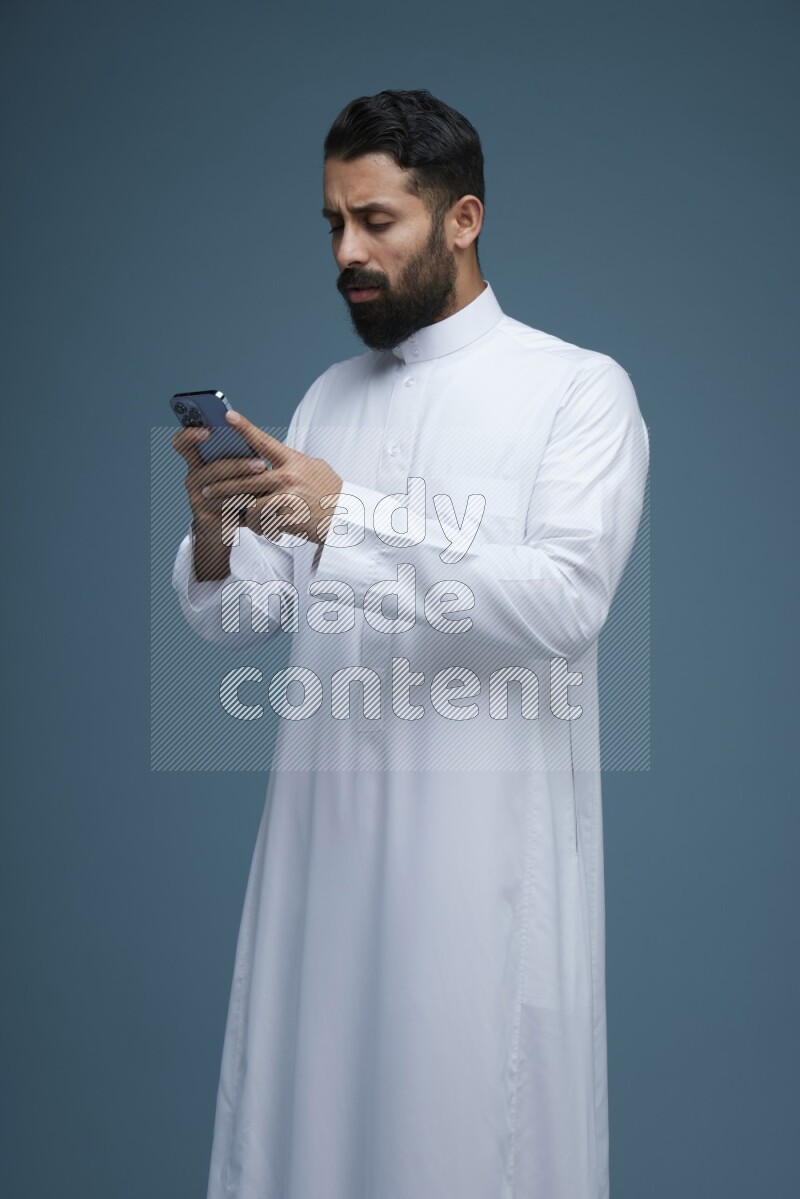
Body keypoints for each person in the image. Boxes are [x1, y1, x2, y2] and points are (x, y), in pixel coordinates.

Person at [171, 88, 649, 1199]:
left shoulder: (573, 390)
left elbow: (562, 605)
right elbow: (240, 616)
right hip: (321, 850)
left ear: (461, 218)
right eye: (333, 223)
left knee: (463, 1134)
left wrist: (352, 515)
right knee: (309, 1132)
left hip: (475, 865)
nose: (347, 250)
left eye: (375, 221)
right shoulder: (329, 396)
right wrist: (213, 530)